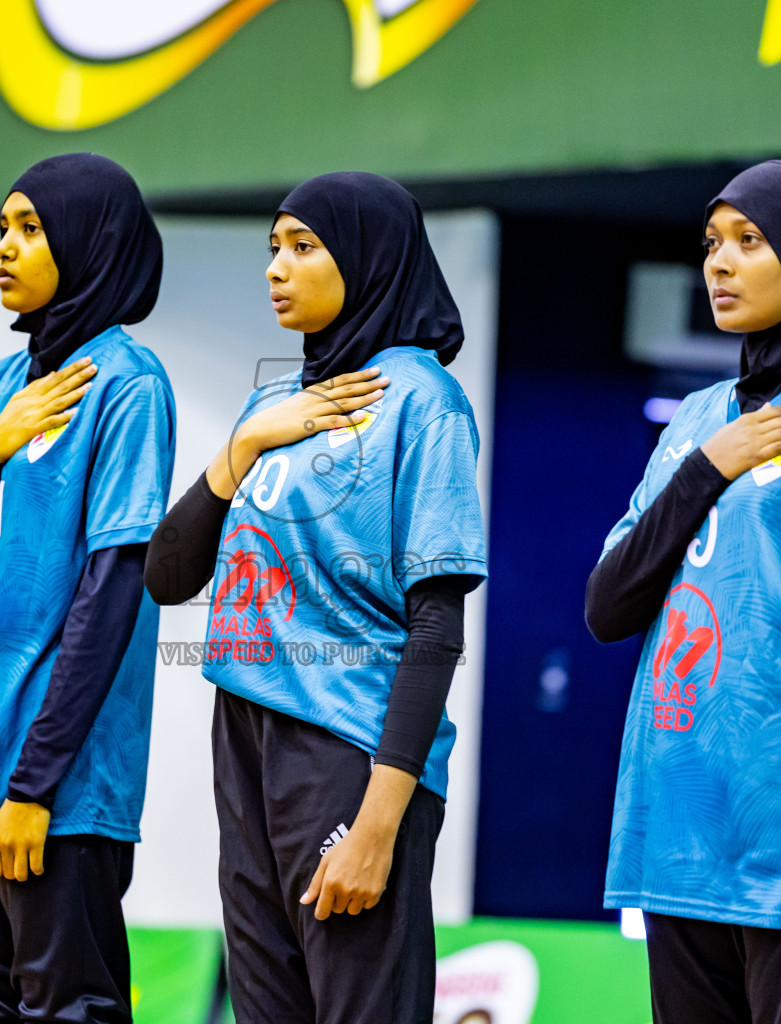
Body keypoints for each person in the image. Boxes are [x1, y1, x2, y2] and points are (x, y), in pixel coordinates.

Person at [145, 171, 487, 1023]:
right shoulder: (275, 403)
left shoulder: (424, 400)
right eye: (273, 249)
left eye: (303, 247)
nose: (277, 268)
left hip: (351, 748)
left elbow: (437, 626)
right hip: (247, 738)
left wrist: (377, 825)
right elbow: (168, 576)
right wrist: (245, 444)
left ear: (367, 260)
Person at [586, 160, 781, 1023]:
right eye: (711, 244)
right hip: (676, 837)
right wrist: (710, 466)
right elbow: (609, 608)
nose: (719, 264)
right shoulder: (695, 422)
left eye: (750, 241)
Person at [0, 153, 175, 1023]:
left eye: (30, 229)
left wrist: (33, 787)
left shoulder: (128, 385)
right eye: (1, 229)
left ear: (87, 243)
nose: (5, 248)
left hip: (58, 790)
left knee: (71, 1013)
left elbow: (112, 592)